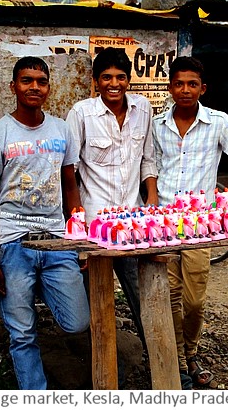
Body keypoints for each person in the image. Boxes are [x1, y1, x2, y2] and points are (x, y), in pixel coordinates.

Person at [152, 56, 228, 389]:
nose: (185, 90)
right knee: (170, 294)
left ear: (202, 88)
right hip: (162, 221)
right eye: (179, 84)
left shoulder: (218, 122)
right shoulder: (157, 125)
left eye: (192, 84)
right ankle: (181, 361)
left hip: (198, 223)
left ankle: (189, 349)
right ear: (170, 87)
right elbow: (151, 167)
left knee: (193, 299)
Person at [0, 56, 90, 390]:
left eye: (41, 81)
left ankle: (38, 286)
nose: (34, 87)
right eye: (27, 80)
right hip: (14, 242)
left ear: (48, 87)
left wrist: (79, 241)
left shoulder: (60, 129)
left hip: (57, 240)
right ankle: (35, 395)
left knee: (77, 322)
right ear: (13, 86)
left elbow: (70, 187)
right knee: (22, 333)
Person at [66, 47, 158, 349]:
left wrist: (152, 201)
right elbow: (71, 170)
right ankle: (97, 371)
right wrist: (77, 224)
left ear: (128, 80)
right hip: (94, 227)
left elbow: (148, 160)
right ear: (96, 81)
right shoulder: (81, 113)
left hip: (133, 224)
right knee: (94, 301)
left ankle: (164, 369)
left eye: (120, 77)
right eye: (106, 77)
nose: (113, 83)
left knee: (143, 298)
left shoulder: (143, 109)